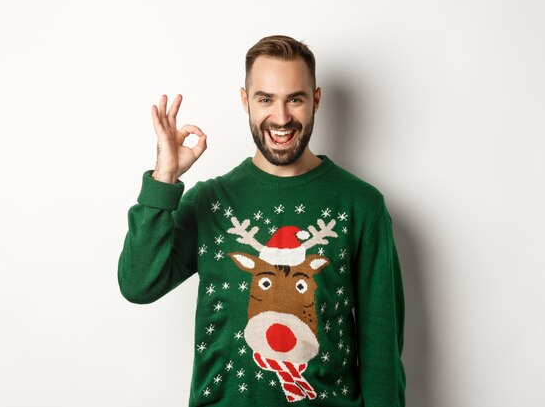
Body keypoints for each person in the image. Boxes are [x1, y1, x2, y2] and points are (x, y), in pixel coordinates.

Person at [118, 35, 405, 406]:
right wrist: (164, 180)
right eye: (266, 99)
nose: (281, 118)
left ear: (316, 100)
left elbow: (381, 348)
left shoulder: (362, 206)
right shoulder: (210, 202)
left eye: (295, 99)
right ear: (245, 101)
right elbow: (138, 284)